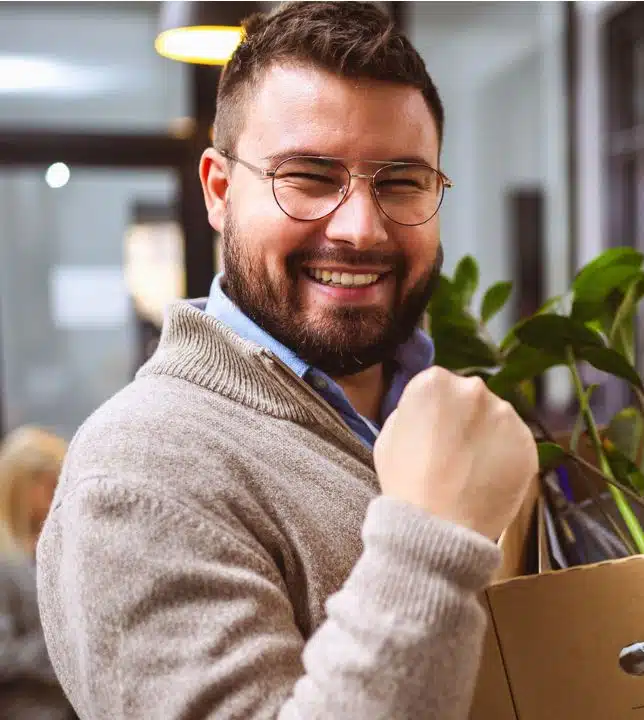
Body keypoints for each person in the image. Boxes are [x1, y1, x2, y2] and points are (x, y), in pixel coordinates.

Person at [35, 3, 537, 718]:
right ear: (218, 190)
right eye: (307, 176)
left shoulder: (446, 414)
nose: (361, 228)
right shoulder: (140, 470)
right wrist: (427, 547)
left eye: (401, 182)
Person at [0, 426, 74, 720]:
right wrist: (63, 646)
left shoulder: (53, 549)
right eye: (51, 482)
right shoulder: (6, 563)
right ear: (23, 485)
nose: (60, 492)